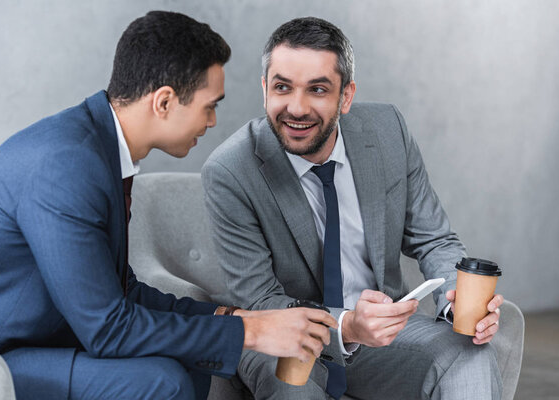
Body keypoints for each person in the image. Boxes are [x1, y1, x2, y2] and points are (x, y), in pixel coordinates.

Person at [0, 11, 337, 400]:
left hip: (39, 338)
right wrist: (255, 333)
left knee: (186, 366)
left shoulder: (97, 149)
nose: (212, 122)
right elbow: (108, 327)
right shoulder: (66, 165)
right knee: (162, 380)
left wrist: (236, 317)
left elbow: (120, 291)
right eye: (209, 106)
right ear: (164, 102)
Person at [202, 17, 504, 399]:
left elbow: (434, 239)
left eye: (317, 89)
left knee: (469, 356)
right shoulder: (231, 171)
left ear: (345, 96)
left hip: (384, 334)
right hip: (285, 336)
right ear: (265, 90)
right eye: (282, 87)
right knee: (290, 386)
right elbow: (260, 302)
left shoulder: (388, 130)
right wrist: (346, 326)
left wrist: (455, 302)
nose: (296, 108)